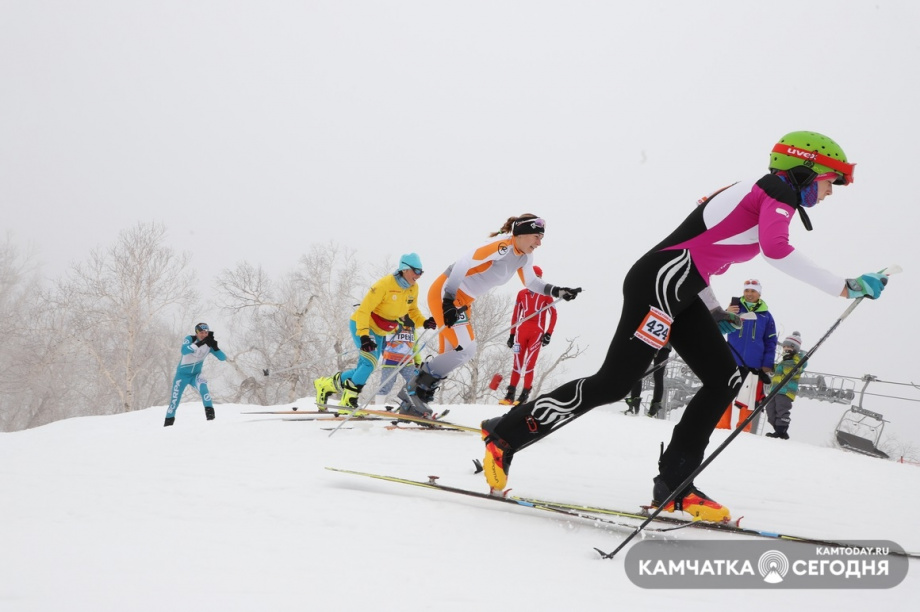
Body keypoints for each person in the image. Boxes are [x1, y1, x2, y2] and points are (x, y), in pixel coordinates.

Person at [480, 131, 886, 523]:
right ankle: (506, 437)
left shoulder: (760, 191)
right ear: (804, 170)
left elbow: (701, 248)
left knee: (725, 378)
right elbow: (775, 251)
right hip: (661, 284)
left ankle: (675, 484)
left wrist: (710, 308)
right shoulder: (776, 191)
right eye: (830, 181)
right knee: (614, 383)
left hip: (679, 288)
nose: (830, 192)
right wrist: (843, 286)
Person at [396, 214, 581, 419]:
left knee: (450, 354)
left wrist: (558, 291)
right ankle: (412, 392)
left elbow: (531, 283)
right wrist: (448, 300)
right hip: (447, 292)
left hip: (463, 301)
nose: (539, 243)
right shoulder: (501, 246)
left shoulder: (525, 256)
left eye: (541, 238)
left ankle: (415, 399)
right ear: (522, 233)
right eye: (537, 237)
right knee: (465, 350)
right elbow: (462, 263)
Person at [313, 254, 436, 412]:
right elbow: (364, 310)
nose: (419, 275)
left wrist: (424, 322)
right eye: (416, 271)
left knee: (362, 368)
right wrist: (364, 336)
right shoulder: (384, 285)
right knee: (369, 363)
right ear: (405, 269)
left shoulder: (413, 288)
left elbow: (412, 311)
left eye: (421, 272)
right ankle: (348, 401)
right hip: (362, 325)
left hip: (379, 330)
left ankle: (325, 385)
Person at [716, 280, 777, 431]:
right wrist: (726, 312)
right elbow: (717, 326)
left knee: (749, 397)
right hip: (732, 358)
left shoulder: (766, 316)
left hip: (754, 363)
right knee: (725, 392)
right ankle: (722, 426)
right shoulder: (735, 308)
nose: (749, 294)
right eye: (747, 290)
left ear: (759, 293)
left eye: (753, 291)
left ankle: (744, 429)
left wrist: (767, 363)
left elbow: (771, 341)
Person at [500, 265, 558, 407]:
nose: (534, 280)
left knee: (530, 365)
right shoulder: (521, 294)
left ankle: (524, 395)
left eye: (537, 277)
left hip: (536, 333)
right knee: (517, 364)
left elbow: (554, 314)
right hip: (521, 332)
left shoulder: (546, 295)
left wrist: (548, 333)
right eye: (531, 277)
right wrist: (512, 335)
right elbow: (515, 315)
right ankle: (510, 395)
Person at [164, 322, 227, 427]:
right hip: (182, 376)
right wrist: (199, 344)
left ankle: (211, 420)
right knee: (174, 402)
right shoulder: (190, 339)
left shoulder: (209, 345)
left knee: (204, 390)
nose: (204, 335)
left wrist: (215, 348)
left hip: (196, 375)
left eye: (206, 332)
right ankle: (167, 426)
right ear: (196, 333)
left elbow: (222, 358)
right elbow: (184, 351)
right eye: (201, 332)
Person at [765, 331, 807, 439]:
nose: (786, 349)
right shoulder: (784, 360)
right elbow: (778, 370)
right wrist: (769, 367)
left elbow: (791, 372)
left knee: (781, 410)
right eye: (785, 347)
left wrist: (789, 361)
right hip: (775, 390)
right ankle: (780, 431)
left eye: (789, 347)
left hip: (785, 391)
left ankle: (781, 431)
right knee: (770, 411)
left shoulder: (797, 361)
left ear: (795, 348)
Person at [375, 318, 423, 409]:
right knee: (386, 384)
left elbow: (415, 345)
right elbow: (382, 332)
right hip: (391, 361)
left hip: (407, 362)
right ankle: (378, 407)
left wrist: (417, 360)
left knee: (415, 383)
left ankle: (413, 406)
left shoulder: (412, 328)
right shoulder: (393, 323)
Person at [624, 343, 671, 417]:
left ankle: (634, 404)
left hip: (651, 342)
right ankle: (654, 408)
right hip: (663, 345)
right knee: (658, 376)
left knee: (639, 371)